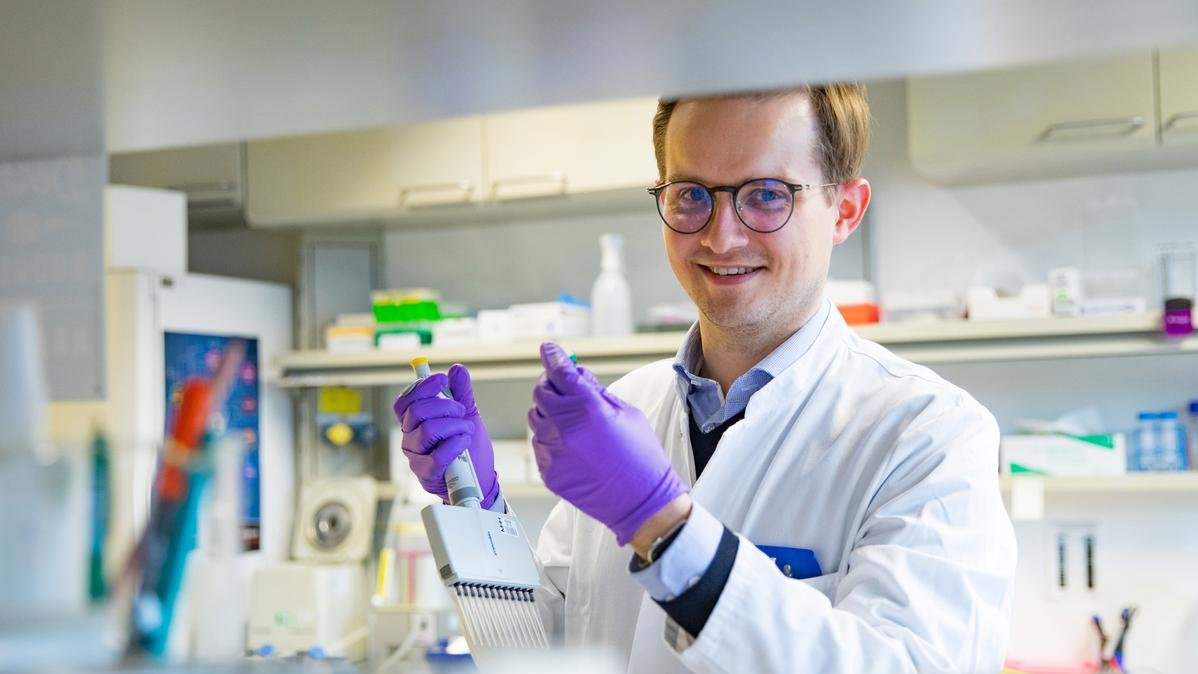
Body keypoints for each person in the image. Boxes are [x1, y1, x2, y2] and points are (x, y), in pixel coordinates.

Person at [393, 84, 1017, 673]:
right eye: (691, 194)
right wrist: (476, 505)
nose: (721, 235)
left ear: (844, 210)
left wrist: (662, 525)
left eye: (768, 194)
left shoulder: (929, 434)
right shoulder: (624, 410)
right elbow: (538, 653)